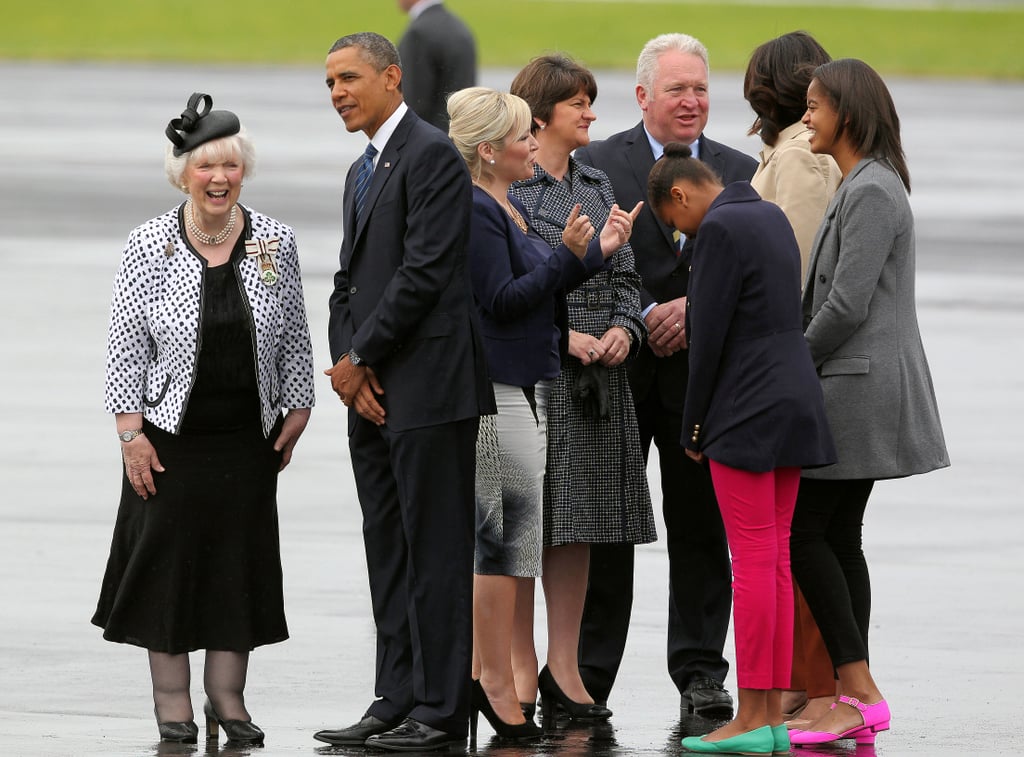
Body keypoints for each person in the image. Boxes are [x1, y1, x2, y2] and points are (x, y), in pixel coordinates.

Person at [92, 92, 315, 746]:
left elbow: (296, 336)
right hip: (168, 439)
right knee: (169, 567)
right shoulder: (149, 244)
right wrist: (130, 433)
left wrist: (298, 405)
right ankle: (172, 702)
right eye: (205, 167)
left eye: (231, 167)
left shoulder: (275, 240)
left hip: (248, 439)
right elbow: (125, 343)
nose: (219, 179)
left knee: (235, 567)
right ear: (182, 172)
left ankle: (228, 697)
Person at [315, 32, 495, 752]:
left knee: (436, 551)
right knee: (387, 547)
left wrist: (361, 356)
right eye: (329, 82)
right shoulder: (365, 167)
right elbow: (346, 283)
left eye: (349, 78)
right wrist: (346, 367)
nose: (337, 93)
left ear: (393, 77)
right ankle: (395, 695)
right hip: (375, 390)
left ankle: (442, 705)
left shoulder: (432, 157)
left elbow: (423, 274)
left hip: (427, 388)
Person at [574, 33, 757, 716]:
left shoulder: (741, 170)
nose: (692, 101)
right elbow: (584, 263)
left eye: (701, 89)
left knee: (702, 528)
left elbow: (752, 274)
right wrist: (646, 310)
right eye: (677, 89)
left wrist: (694, 308)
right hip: (620, 373)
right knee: (609, 529)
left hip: (704, 380)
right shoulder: (597, 162)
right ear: (645, 95)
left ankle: (702, 672)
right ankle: (588, 679)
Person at [447, 86, 632, 740]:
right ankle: (494, 682)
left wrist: (592, 254)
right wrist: (565, 255)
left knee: (513, 543)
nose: (533, 145)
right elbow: (502, 299)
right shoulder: (478, 209)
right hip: (498, 391)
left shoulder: (498, 203)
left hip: (522, 387)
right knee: (504, 543)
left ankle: (493, 679)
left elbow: (536, 290)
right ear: (489, 149)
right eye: (523, 136)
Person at [647, 143, 835, 756]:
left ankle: (752, 718)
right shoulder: (770, 214)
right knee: (775, 559)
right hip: (793, 398)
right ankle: (772, 714)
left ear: (679, 195)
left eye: (676, 224)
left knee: (752, 560)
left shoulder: (720, 228)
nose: (682, 233)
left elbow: (706, 335)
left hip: (746, 408)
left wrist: (693, 427)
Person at [789, 58, 950, 748]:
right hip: (852, 383)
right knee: (837, 535)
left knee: (806, 534)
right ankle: (856, 693)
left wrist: (791, 363)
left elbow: (846, 303)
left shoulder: (874, 189)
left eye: (816, 107)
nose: (806, 118)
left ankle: (858, 688)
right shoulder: (862, 183)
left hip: (855, 387)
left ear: (847, 114)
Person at [509, 54, 653, 723]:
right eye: (579, 104)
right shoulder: (512, 188)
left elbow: (628, 276)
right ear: (541, 116)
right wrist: (562, 337)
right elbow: (503, 288)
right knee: (523, 527)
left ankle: (564, 665)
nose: (592, 113)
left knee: (580, 529)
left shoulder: (598, 183)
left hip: (601, 383)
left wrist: (626, 327)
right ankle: (515, 667)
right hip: (540, 376)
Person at [742, 30, 840, 728]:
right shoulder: (782, 153)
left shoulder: (799, 159)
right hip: (782, 364)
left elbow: (797, 269)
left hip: (784, 365)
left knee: (796, 535)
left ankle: (810, 683)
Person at [396, 0, 476, 131]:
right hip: (459, 135)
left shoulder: (418, 32)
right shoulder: (459, 27)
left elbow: (414, 102)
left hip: (429, 140)